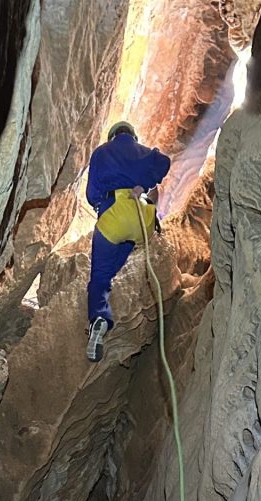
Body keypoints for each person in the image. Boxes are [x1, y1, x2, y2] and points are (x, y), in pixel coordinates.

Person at [85, 121, 171, 362]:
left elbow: (91, 194)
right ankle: (106, 282)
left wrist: (101, 205)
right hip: (140, 216)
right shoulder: (142, 150)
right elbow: (164, 162)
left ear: (112, 136)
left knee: (100, 275)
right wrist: (143, 185)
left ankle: (99, 318)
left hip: (114, 212)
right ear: (132, 135)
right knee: (117, 257)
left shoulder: (101, 152)